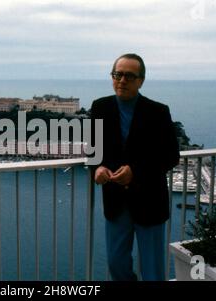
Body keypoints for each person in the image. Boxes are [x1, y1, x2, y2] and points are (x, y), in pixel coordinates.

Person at [89, 53, 180, 281]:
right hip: (115, 201)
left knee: (153, 269)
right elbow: (93, 151)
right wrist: (97, 169)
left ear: (141, 80)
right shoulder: (100, 107)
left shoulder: (158, 111)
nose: (122, 80)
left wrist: (135, 173)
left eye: (129, 76)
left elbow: (170, 156)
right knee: (116, 262)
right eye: (117, 74)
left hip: (149, 200)